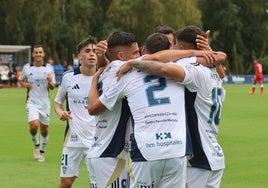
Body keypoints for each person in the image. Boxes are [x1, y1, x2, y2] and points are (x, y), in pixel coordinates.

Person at [117, 25, 227, 188]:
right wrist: (206, 51)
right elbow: (220, 57)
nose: (171, 49)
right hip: (215, 156)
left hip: (198, 156)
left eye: (173, 45)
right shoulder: (215, 73)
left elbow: (159, 63)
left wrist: (134, 63)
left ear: (181, 48)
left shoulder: (191, 68)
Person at [86, 31, 140, 188]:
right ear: (122, 56)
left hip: (99, 152)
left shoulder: (106, 69)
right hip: (111, 154)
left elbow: (103, 64)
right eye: (135, 52)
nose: (139, 56)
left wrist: (99, 66)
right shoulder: (122, 73)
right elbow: (92, 108)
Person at [54, 36, 99, 188]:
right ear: (80, 56)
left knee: (98, 183)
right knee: (66, 182)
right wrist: (60, 112)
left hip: (97, 139)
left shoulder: (104, 77)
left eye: (94, 51)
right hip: (73, 139)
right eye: (87, 51)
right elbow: (57, 103)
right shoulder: (69, 77)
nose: (92, 54)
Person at [19, 44, 56, 162]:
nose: (38, 54)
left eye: (40, 52)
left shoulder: (49, 68)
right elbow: (20, 79)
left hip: (45, 103)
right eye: (36, 52)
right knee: (34, 125)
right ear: (33, 54)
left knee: (44, 129)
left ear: (43, 54)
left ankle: (42, 152)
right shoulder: (27, 68)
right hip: (32, 101)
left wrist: (50, 82)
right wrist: (25, 85)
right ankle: (36, 146)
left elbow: (52, 87)